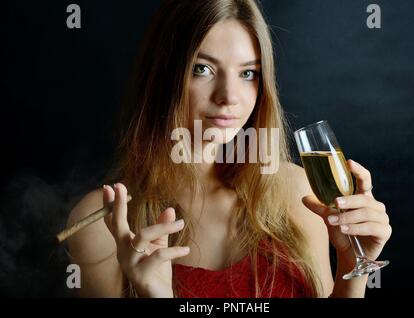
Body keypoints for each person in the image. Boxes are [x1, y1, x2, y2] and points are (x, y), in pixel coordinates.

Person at [66, 0, 391, 298]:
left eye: (248, 73)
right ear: (163, 75)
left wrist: (352, 262)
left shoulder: (297, 192)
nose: (229, 96)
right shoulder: (103, 222)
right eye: (202, 69)